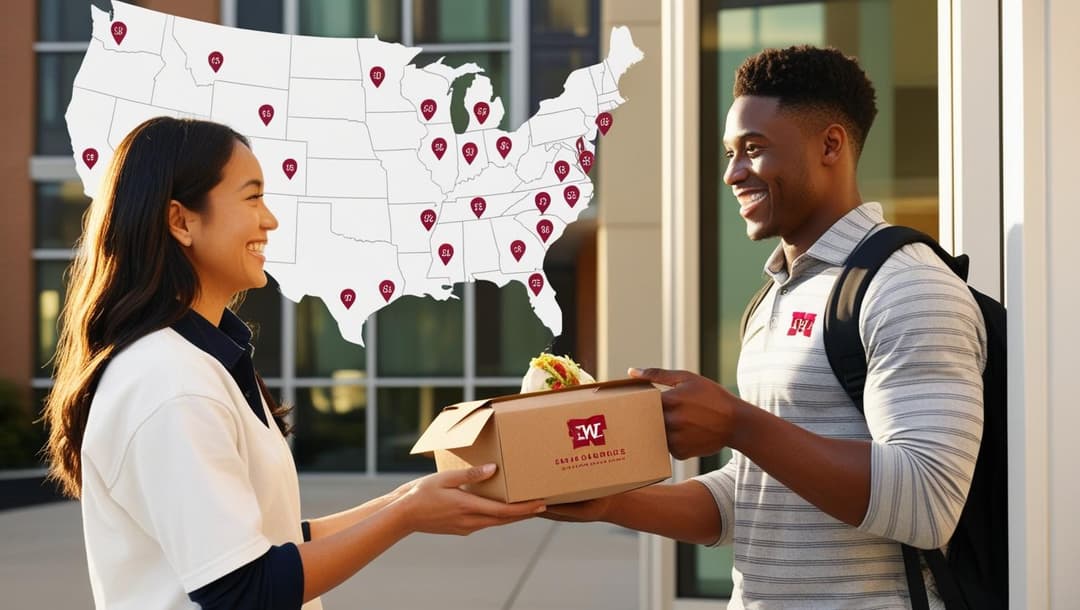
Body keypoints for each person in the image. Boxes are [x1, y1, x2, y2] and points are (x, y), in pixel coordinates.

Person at [43, 116, 544, 609]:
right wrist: (406, 516)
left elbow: (270, 540)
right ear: (181, 220)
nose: (270, 219)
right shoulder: (169, 382)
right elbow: (243, 590)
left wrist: (407, 500)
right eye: (252, 196)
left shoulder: (198, 362)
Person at [547, 45, 987, 608]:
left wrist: (737, 422)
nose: (732, 173)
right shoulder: (774, 296)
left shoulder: (906, 286)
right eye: (730, 153)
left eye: (753, 150)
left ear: (832, 144)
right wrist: (608, 502)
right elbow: (753, 497)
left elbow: (928, 502)